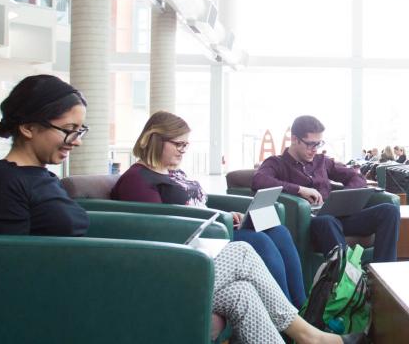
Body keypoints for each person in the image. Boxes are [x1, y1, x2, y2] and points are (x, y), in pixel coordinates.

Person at [0, 75, 350, 344]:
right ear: (29, 127)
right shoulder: (1, 183)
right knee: (244, 253)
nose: (76, 142)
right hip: (83, 292)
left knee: (240, 294)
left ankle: (306, 336)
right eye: (69, 130)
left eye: (79, 131)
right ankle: (310, 335)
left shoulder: (41, 178)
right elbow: (12, 265)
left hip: (96, 277)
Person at [111, 111, 306, 307]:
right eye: (178, 144)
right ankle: (288, 319)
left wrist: (226, 216)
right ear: (154, 139)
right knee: (261, 242)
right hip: (194, 240)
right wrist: (219, 220)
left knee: (279, 232)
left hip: (212, 228)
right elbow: (160, 226)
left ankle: (303, 309)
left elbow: (196, 205)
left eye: (185, 145)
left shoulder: (174, 171)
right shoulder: (137, 179)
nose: (183, 150)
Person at [253, 115, 401, 263]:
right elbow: (259, 180)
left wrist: (341, 197)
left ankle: (382, 276)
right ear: (294, 139)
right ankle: (347, 280)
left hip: (339, 217)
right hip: (310, 224)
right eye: (310, 144)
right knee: (327, 221)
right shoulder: (277, 163)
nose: (315, 150)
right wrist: (299, 189)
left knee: (389, 211)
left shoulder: (321, 161)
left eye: (318, 144)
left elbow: (357, 177)